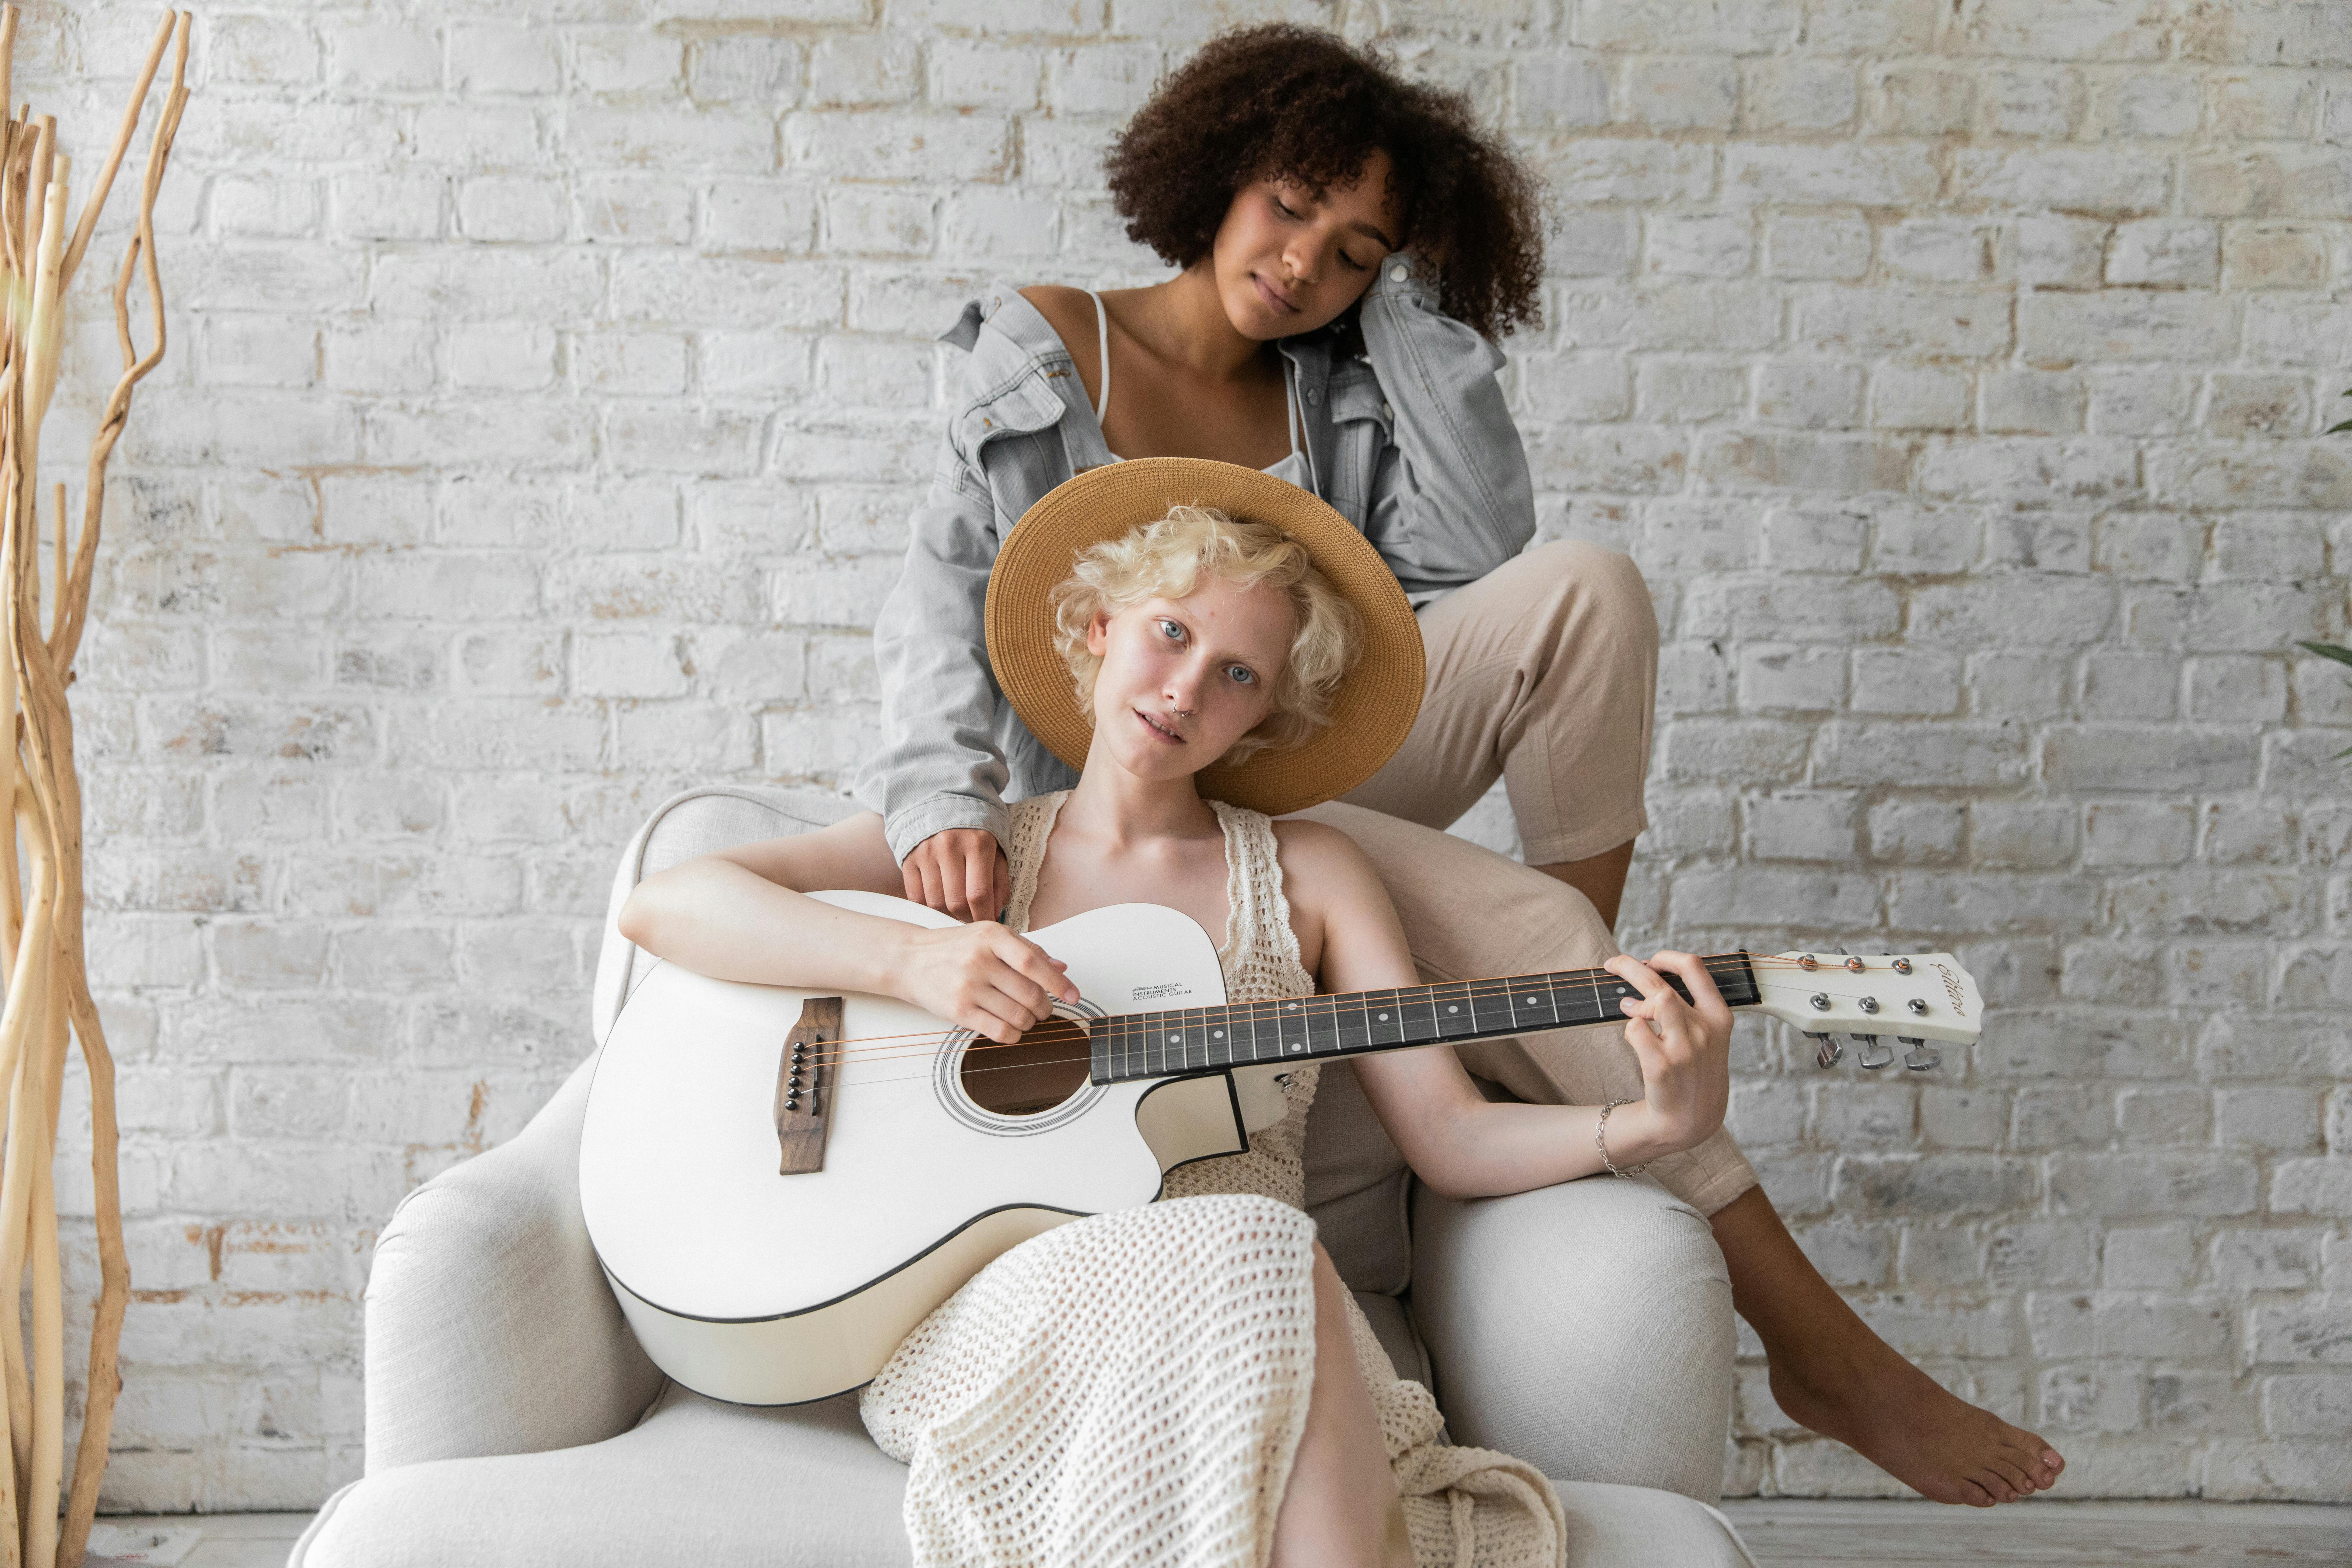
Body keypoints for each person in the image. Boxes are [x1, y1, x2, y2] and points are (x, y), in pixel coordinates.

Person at [857, 22, 2063, 1511]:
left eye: (1358, 248)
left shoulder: (1346, 373)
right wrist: (941, 800)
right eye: (1294, 204)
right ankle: (1817, 1338)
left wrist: (1407, 293)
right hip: (1145, 790)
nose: (1307, 261)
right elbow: (936, 598)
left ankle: (1544, 1008)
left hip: (1294, 749)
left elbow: (1483, 542)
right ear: (1224, 169)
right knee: (1541, 934)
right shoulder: (1045, 346)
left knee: (1591, 588)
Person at [623, 470, 1745, 1564]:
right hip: (1008, 1313)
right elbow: (668, 903)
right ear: (1100, 627)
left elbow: (1448, 1135)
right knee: (1261, 1249)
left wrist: (1649, 1127)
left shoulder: (1311, 872)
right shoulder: (968, 855)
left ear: (1265, 714)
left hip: (1264, 1298)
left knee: (1254, 1245)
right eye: (1170, 633)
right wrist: (914, 959)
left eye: (1238, 673)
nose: (1186, 688)